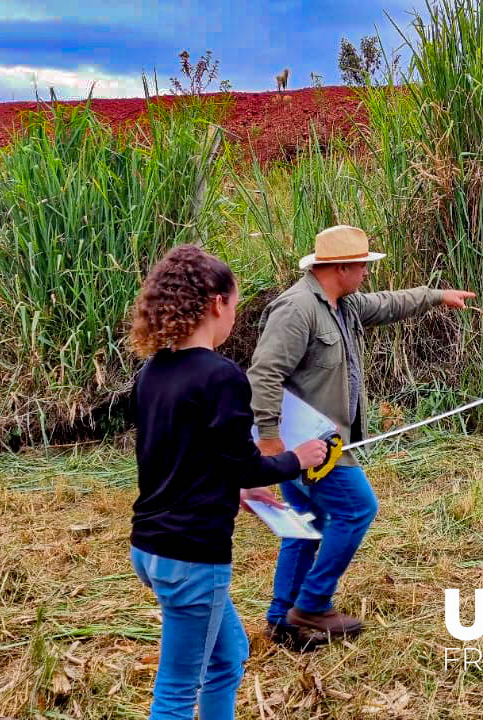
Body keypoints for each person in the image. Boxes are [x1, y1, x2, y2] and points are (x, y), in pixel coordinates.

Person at [248, 225, 476, 649]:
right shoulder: (297, 310)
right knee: (357, 509)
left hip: (316, 448)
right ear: (341, 268)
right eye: (364, 266)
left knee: (306, 528)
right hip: (310, 448)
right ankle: (312, 604)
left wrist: (436, 296)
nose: (368, 273)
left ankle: (283, 621)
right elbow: (263, 373)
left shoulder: (344, 305)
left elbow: (389, 304)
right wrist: (270, 441)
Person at [126, 244, 329, 720]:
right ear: (217, 303)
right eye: (235, 306)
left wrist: (232, 491)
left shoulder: (152, 373)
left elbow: (175, 460)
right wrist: (297, 459)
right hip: (192, 557)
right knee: (176, 692)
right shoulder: (222, 378)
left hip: (150, 548)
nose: (234, 316)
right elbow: (245, 464)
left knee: (228, 656)